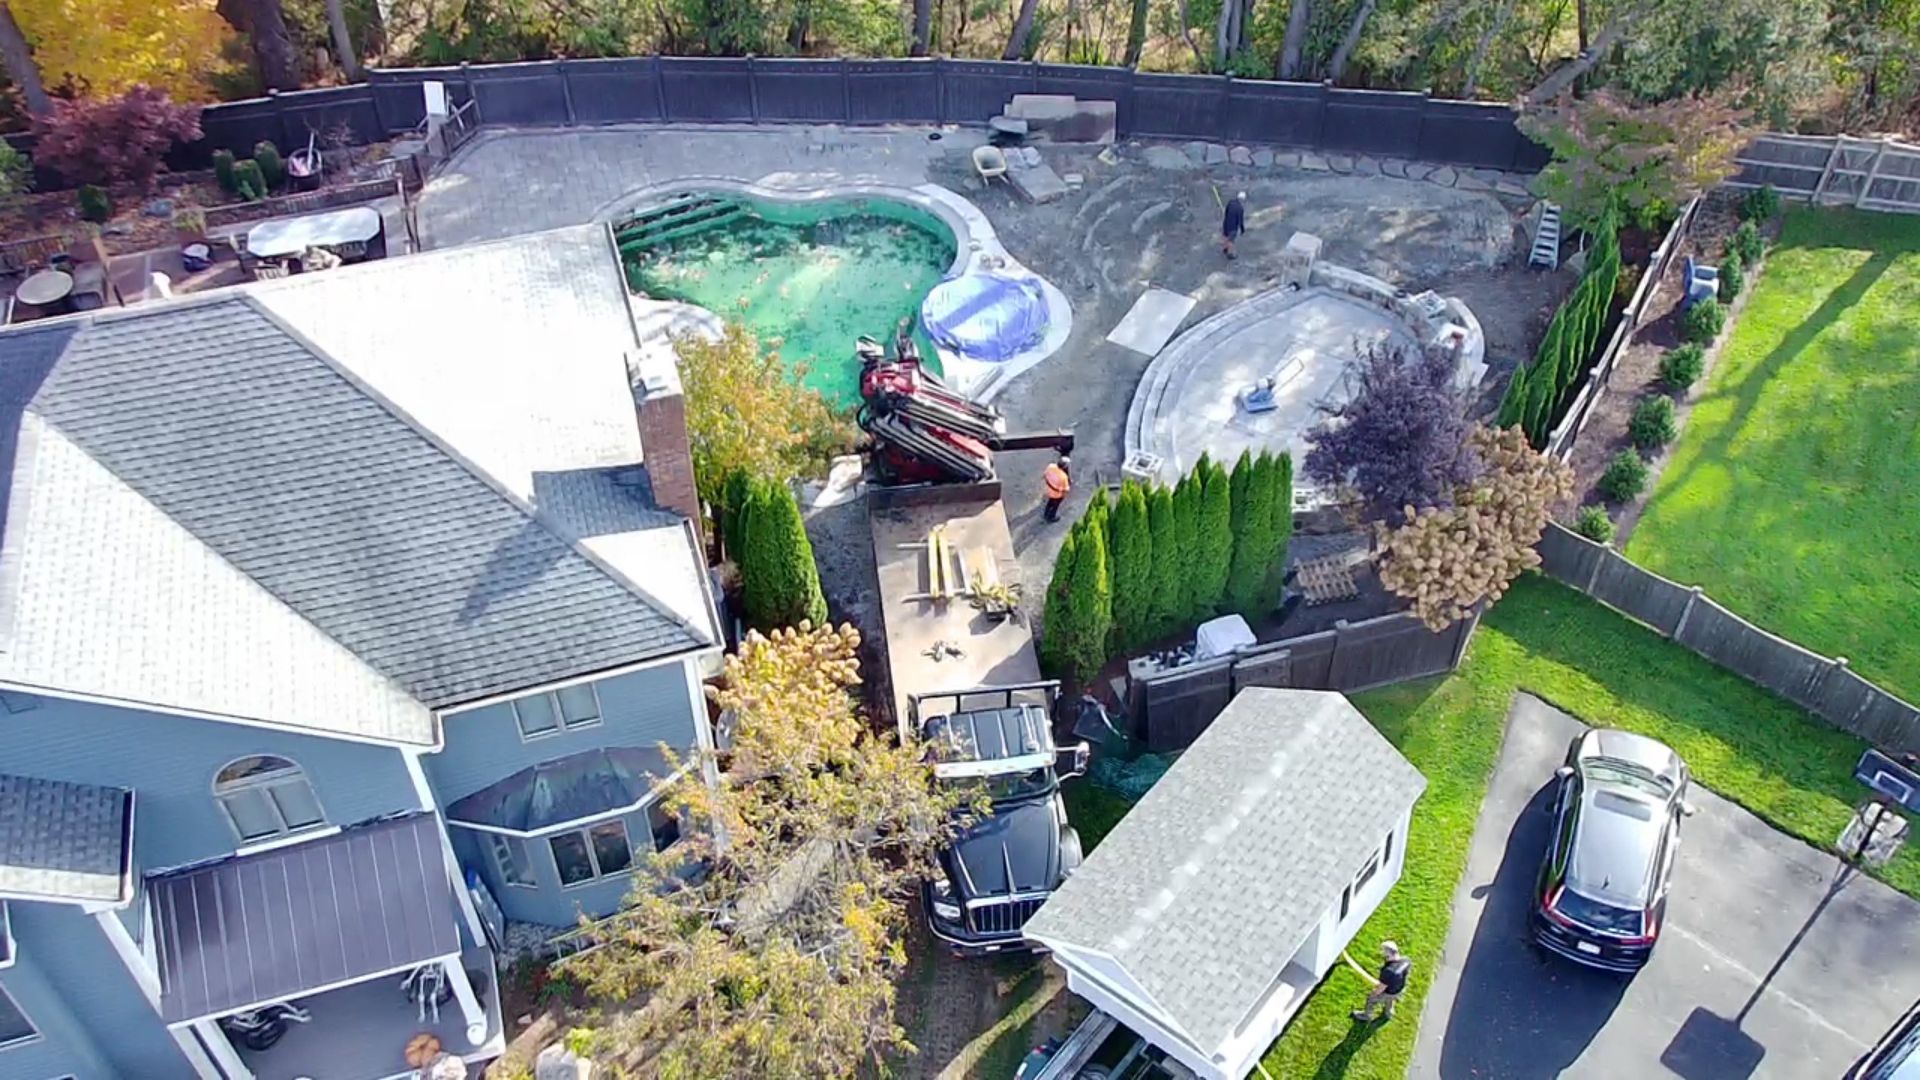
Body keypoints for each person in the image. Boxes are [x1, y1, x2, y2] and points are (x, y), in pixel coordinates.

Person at [1351, 941, 1412, 1022]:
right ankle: (1389, 1012)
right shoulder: (1406, 960)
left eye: (1383, 951)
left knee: (1371, 999)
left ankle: (1367, 1016)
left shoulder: (1388, 971)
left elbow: (1381, 988)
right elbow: (1405, 974)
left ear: (1387, 953)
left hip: (1389, 992)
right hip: (1400, 989)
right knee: (1391, 999)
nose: (1382, 953)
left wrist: (1374, 992)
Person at [1042, 455, 1072, 523]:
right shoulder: (1063, 477)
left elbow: (1045, 474)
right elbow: (1066, 489)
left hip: (1049, 489)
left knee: (1050, 502)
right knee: (1055, 505)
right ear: (1065, 467)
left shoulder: (1051, 466)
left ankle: (1046, 513)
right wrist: (1063, 495)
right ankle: (1051, 517)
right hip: (1057, 494)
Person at [1221, 190, 1247, 260]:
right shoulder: (1240, 209)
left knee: (1225, 236)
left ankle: (1225, 248)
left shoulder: (1230, 202)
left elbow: (1226, 212)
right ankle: (1230, 254)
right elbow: (1240, 221)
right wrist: (1242, 229)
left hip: (1226, 223)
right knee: (1231, 240)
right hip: (1233, 227)